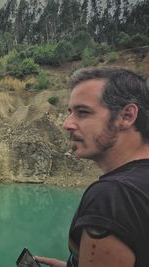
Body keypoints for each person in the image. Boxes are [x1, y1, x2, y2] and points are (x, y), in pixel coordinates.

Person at [35, 67, 149, 267]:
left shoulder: (113, 195)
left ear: (127, 116)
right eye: (70, 112)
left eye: (83, 112)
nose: (67, 124)